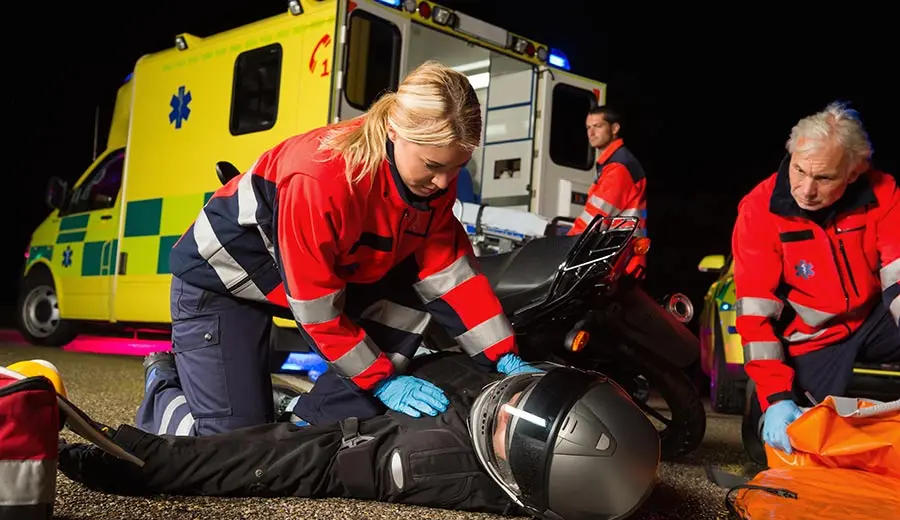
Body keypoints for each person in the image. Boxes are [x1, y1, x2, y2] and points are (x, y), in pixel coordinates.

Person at [140, 60, 541, 438]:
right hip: (223, 281)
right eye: (433, 166)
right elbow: (316, 307)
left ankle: (300, 413)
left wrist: (502, 356)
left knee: (306, 432)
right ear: (394, 131)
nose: (443, 183)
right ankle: (165, 381)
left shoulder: (429, 183)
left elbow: (450, 275)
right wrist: (382, 381)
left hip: (300, 283)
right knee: (232, 447)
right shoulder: (321, 177)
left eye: (457, 168)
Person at [57, 351, 660, 520]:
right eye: (529, 395)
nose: (506, 406)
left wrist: (137, 463)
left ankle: (165, 388)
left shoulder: (430, 462)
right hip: (373, 377)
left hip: (346, 409)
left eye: (514, 427)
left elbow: (292, 462)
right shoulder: (511, 413)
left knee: (220, 431)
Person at [732, 101, 900, 456]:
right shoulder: (758, 210)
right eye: (799, 170)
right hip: (812, 337)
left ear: (853, 173)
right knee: (788, 443)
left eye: (823, 178)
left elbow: (898, 277)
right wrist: (776, 397)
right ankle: (762, 407)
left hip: (873, 319)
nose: (806, 190)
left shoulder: (883, 192)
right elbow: (756, 316)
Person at [569, 105, 648, 278]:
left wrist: (566, 244)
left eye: (598, 126)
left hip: (620, 259)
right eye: (588, 128)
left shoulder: (618, 167)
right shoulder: (613, 162)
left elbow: (597, 217)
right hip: (619, 254)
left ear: (614, 128)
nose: (591, 133)